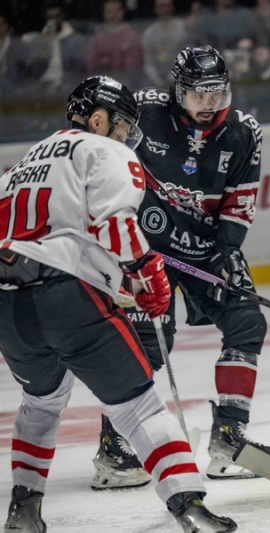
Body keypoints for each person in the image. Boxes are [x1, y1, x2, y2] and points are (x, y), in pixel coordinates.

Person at [0, 75, 236, 533]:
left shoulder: (19, 165)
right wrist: (148, 275)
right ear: (98, 118)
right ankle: (190, 508)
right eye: (123, 125)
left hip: (7, 309)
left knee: (41, 402)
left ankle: (23, 511)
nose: (127, 136)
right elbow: (115, 224)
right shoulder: (105, 150)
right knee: (139, 406)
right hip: (66, 296)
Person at [88, 45, 270, 490]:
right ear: (178, 90)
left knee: (247, 322)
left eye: (216, 92)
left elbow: (240, 201)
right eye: (198, 94)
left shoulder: (244, 132)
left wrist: (229, 251)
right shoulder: (144, 113)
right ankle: (116, 445)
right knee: (149, 342)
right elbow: (99, 163)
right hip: (143, 251)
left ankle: (229, 437)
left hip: (206, 250)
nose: (209, 102)